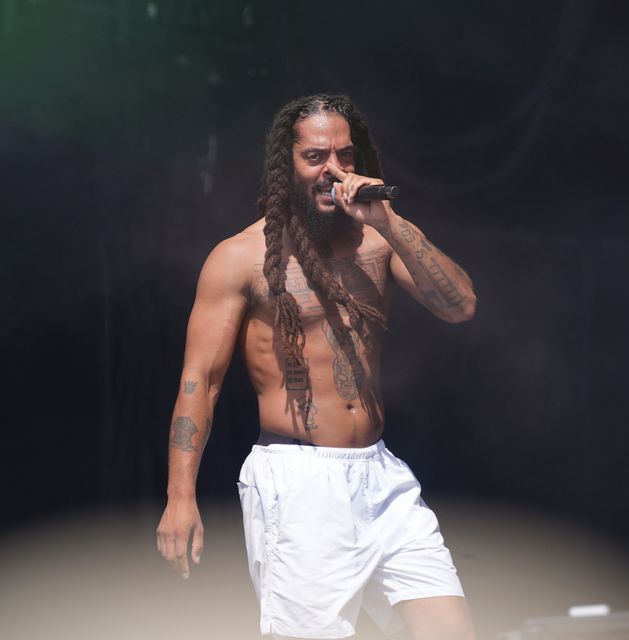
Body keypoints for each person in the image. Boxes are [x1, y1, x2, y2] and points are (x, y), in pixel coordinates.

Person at [156, 94, 477, 640]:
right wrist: (179, 498)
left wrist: (391, 220)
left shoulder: (378, 240)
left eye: (346, 157)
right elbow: (200, 383)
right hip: (299, 482)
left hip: (382, 477)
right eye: (316, 158)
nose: (335, 171)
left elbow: (459, 306)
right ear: (288, 166)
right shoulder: (239, 257)